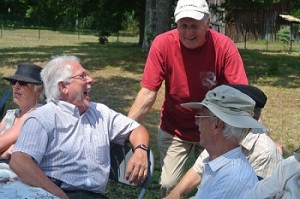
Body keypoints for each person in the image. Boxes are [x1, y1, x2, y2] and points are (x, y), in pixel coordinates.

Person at [128, 0, 248, 196]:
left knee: (212, 184)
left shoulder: (224, 47)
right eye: (183, 26)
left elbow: (242, 94)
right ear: (176, 24)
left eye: (194, 26)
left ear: (208, 23)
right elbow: (148, 93)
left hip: (213, 128)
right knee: (169, 184)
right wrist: (123, 128)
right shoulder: (162, 44)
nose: (188, 32)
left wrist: (259, 135)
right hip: (175, 127)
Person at [9, 55, 150, 199]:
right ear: (63, 86)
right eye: (82, 76)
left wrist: (140, 150)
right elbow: (19, 161)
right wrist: (60, 196)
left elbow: (136, 129)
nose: (90, 79)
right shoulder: (43, 117)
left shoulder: (101, 112)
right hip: (53, 192)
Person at [164, 84, 282, 199]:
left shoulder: (232, 179)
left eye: (200, 116)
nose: (196, 122)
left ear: (217, 125)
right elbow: (200, 167)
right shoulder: (220, 154)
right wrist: (176, 193)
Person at [0, 63, 44, 174]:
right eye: (13, 82)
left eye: (23, 83)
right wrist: (4, 154)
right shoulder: (10, 115)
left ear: (38, 89)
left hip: (16, 178)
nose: (16, 86)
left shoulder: (35, 115)